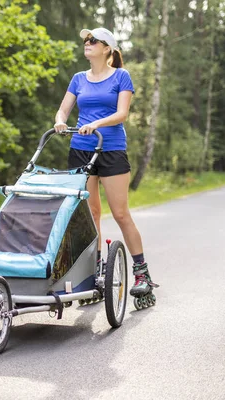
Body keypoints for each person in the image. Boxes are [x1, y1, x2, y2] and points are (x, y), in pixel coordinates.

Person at [53, 27, 157, 297]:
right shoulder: (78, 78)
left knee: (120, 213)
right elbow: (64, 108)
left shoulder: (121, 76)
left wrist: (96, 123)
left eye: (93, 40)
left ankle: (142, 273)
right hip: (80, 149)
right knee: (90, 215)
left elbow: (122, 113)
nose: (87, 43)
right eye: (86, 40)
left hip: (110, 148)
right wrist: (60, 121)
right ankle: (95, 271)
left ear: (107, 48)